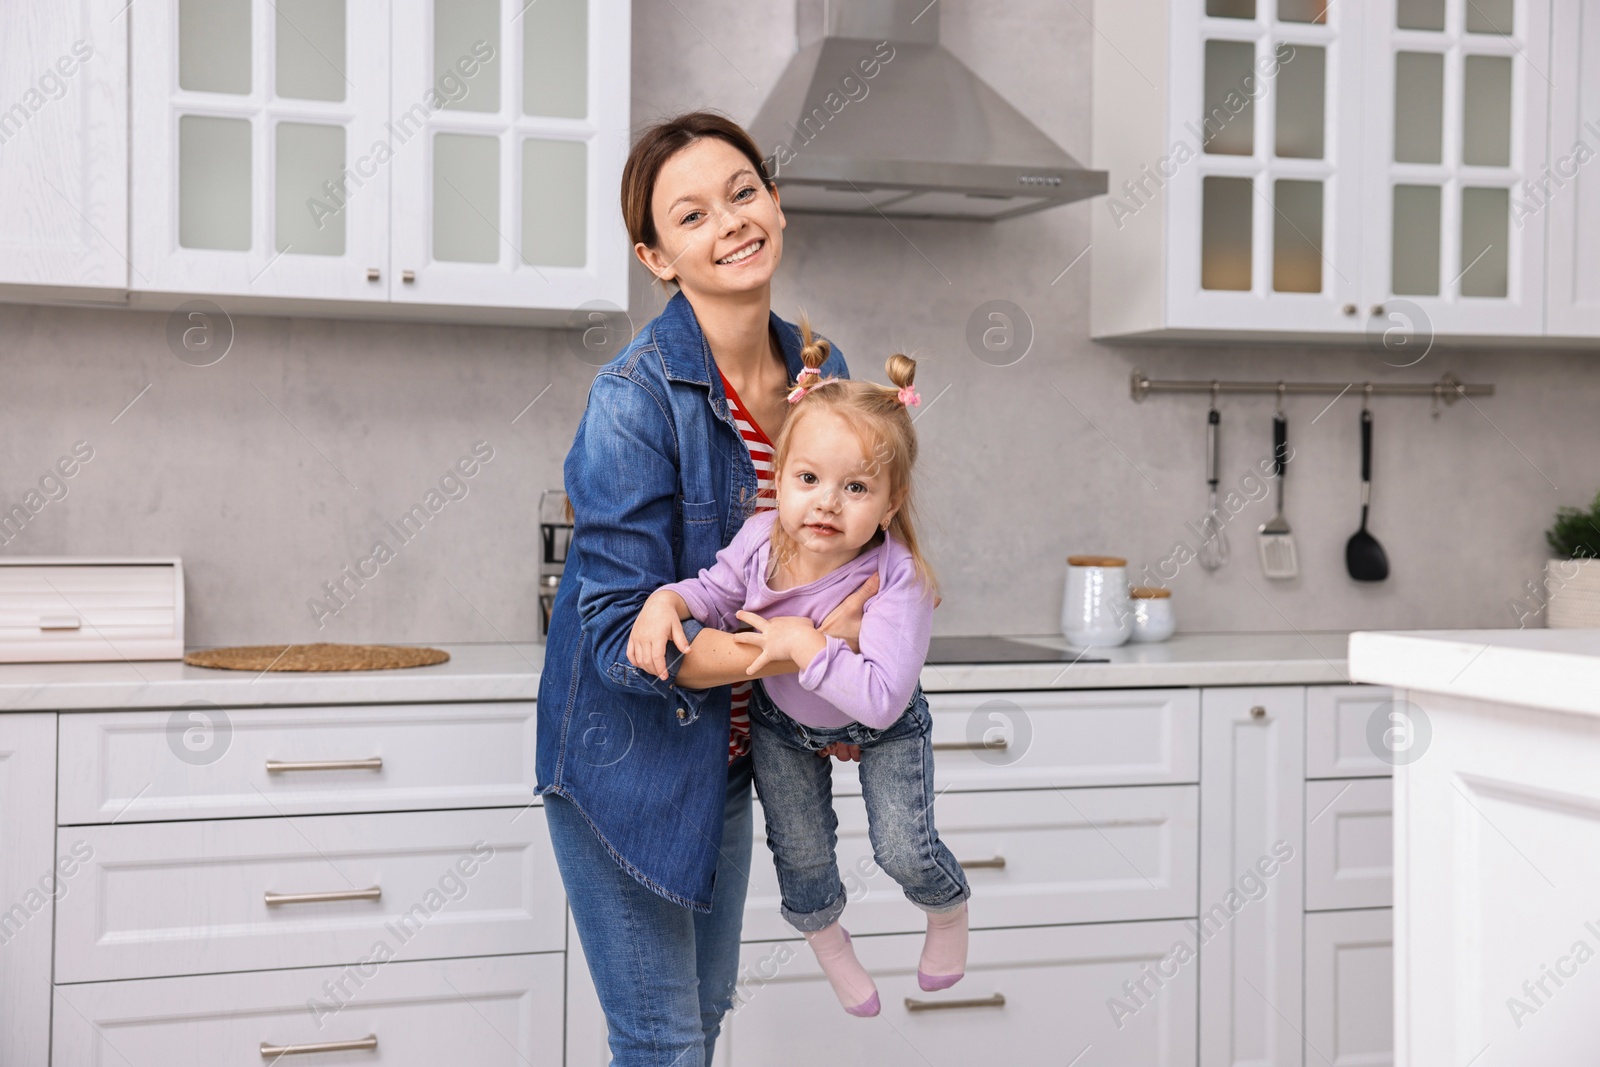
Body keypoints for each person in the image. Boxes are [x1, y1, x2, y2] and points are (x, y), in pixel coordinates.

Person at [534, 112, 877, 1067]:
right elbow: (615, 635)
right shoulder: (634, 397)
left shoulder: (824, 373)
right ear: (657, 256)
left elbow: (843, 562)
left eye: (742, 192)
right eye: (691, 214)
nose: (729, 221)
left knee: (704, 1018)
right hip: (629, 758)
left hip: (732, 757)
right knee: (664, 1042)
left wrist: (840, 661)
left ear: (775, 201)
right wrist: (795, 648)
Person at [630, 329, 970, 1018]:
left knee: (904, 849)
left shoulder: (896, 577)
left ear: (891, 501)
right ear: (778, 477)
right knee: (803, 856)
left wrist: (805, 647)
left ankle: (948, 907)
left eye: (855, 487)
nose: (826, 503)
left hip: (884, 723)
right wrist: (670, 598)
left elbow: (877, 700)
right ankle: (830, 945)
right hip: (785, 723)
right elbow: (715, 590)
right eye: (808, 479)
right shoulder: (761, 539)